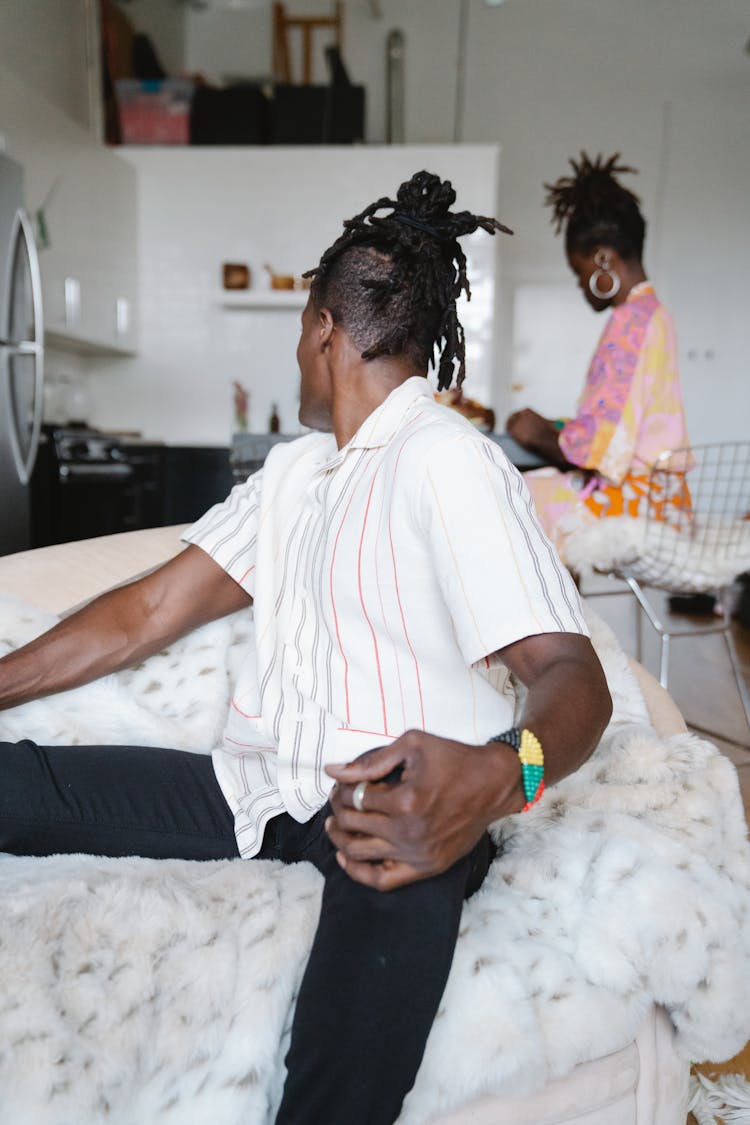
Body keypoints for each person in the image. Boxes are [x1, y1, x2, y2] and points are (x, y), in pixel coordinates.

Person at [0, 171, 612, 1125]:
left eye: (298, 331)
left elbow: (575, 679)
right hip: (262, 788)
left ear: (325, 329)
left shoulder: (448, 462)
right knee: (23, 784)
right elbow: (149, 610)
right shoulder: (293, 474)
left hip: (402, 805)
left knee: (361, 996)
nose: (295, 353)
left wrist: (502, 776)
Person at [506, 152, 690, 556]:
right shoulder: (654, 315)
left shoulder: (631, 324)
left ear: (604, 259)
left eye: (580, 272)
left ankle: (558, 619)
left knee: (503, 497)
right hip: (663, 499)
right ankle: (567, 616)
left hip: (635, 504)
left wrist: (537, 432)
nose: (581, 285)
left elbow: (600, 451)